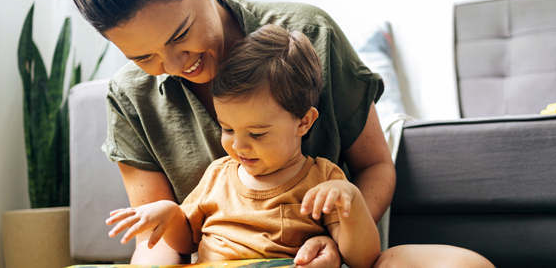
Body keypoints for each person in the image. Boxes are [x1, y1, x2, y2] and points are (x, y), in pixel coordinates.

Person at [67, 0, 494, 267]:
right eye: (143, 57)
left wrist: (341, 241)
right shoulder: (128, 96)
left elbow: (374, 166)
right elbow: (158, 240)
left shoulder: (310, 34)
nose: (176, 65)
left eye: (180, 35)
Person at [106, 24, 381, 268]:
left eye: (257, 134)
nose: (238, 145)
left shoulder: (323, 181)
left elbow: (363, 260)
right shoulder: (218, 175)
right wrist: (168, 214)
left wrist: (353, 202)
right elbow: (187, 241)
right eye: (227, 129)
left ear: (303, 122)